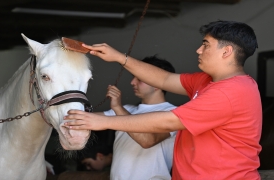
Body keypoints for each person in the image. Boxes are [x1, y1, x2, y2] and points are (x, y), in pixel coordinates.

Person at [63, 20, 262, 179]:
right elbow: (164, 78)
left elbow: (170, 120)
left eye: (205, 45)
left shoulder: (231, 91)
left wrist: (104, 121)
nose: (198, 50)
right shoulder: (206, 81)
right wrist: (119, 57)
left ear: (226, 52)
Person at [95, 56, 177, 180]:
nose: (132, 82)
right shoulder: (127, 109)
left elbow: (147, 141)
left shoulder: (173, 113)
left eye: (140, 78)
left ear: (157, 83)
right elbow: (89, 120)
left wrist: (118, 109)